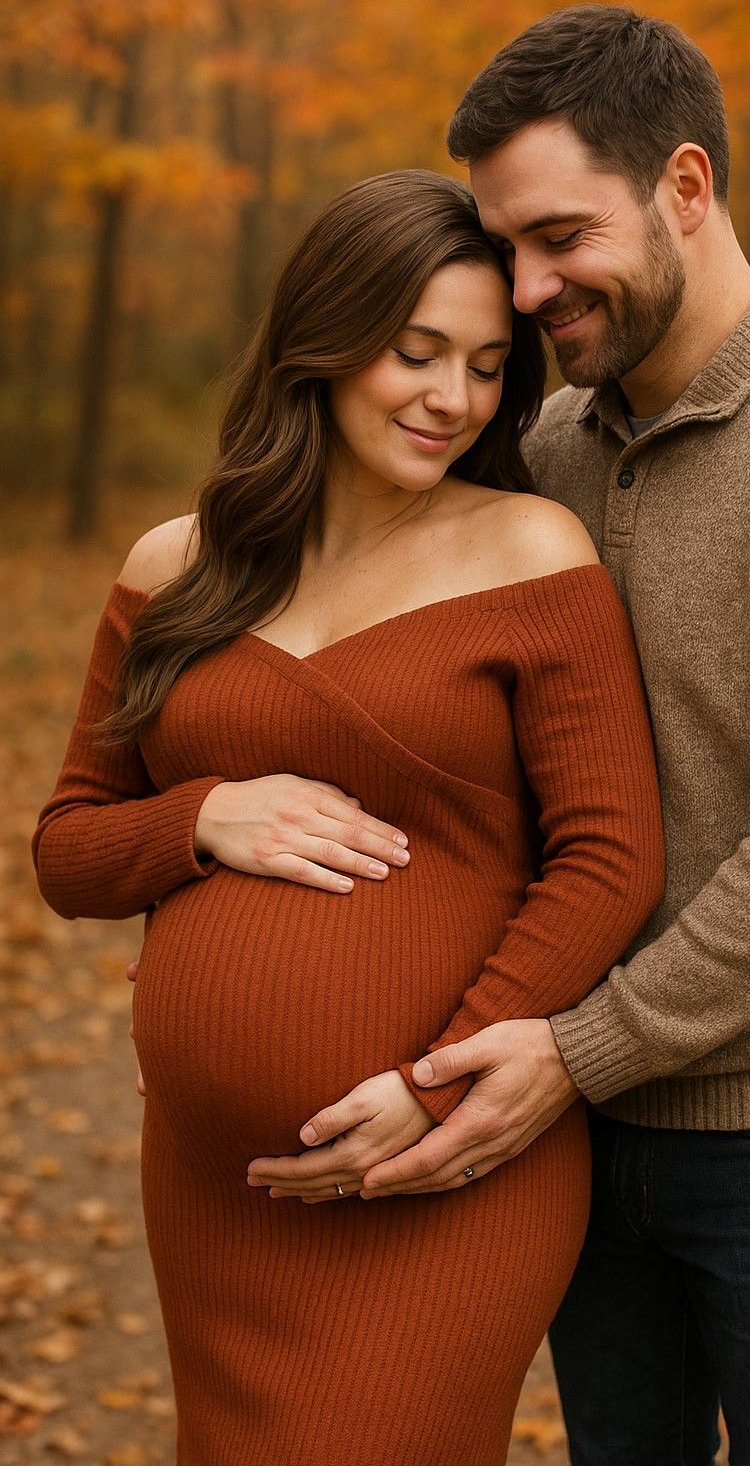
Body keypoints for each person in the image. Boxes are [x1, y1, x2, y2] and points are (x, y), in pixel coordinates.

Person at [247, 10, 750, 1464]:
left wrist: (577, 1050)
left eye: (560, 238)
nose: (525, 289)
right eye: (507, 247)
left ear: (687, 189)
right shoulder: (550, 449)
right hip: (574, 1120)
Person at [32, 168, 666, 1465]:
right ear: (322, 341)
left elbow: (610, 857)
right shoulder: (177, 565)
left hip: (439, 1173)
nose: (453, 398)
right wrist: (199, 818)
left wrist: (440, 1086)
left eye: (490, 367)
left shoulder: (530, 553)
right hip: (219, 1194)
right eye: (416, 352)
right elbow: (70, 850)